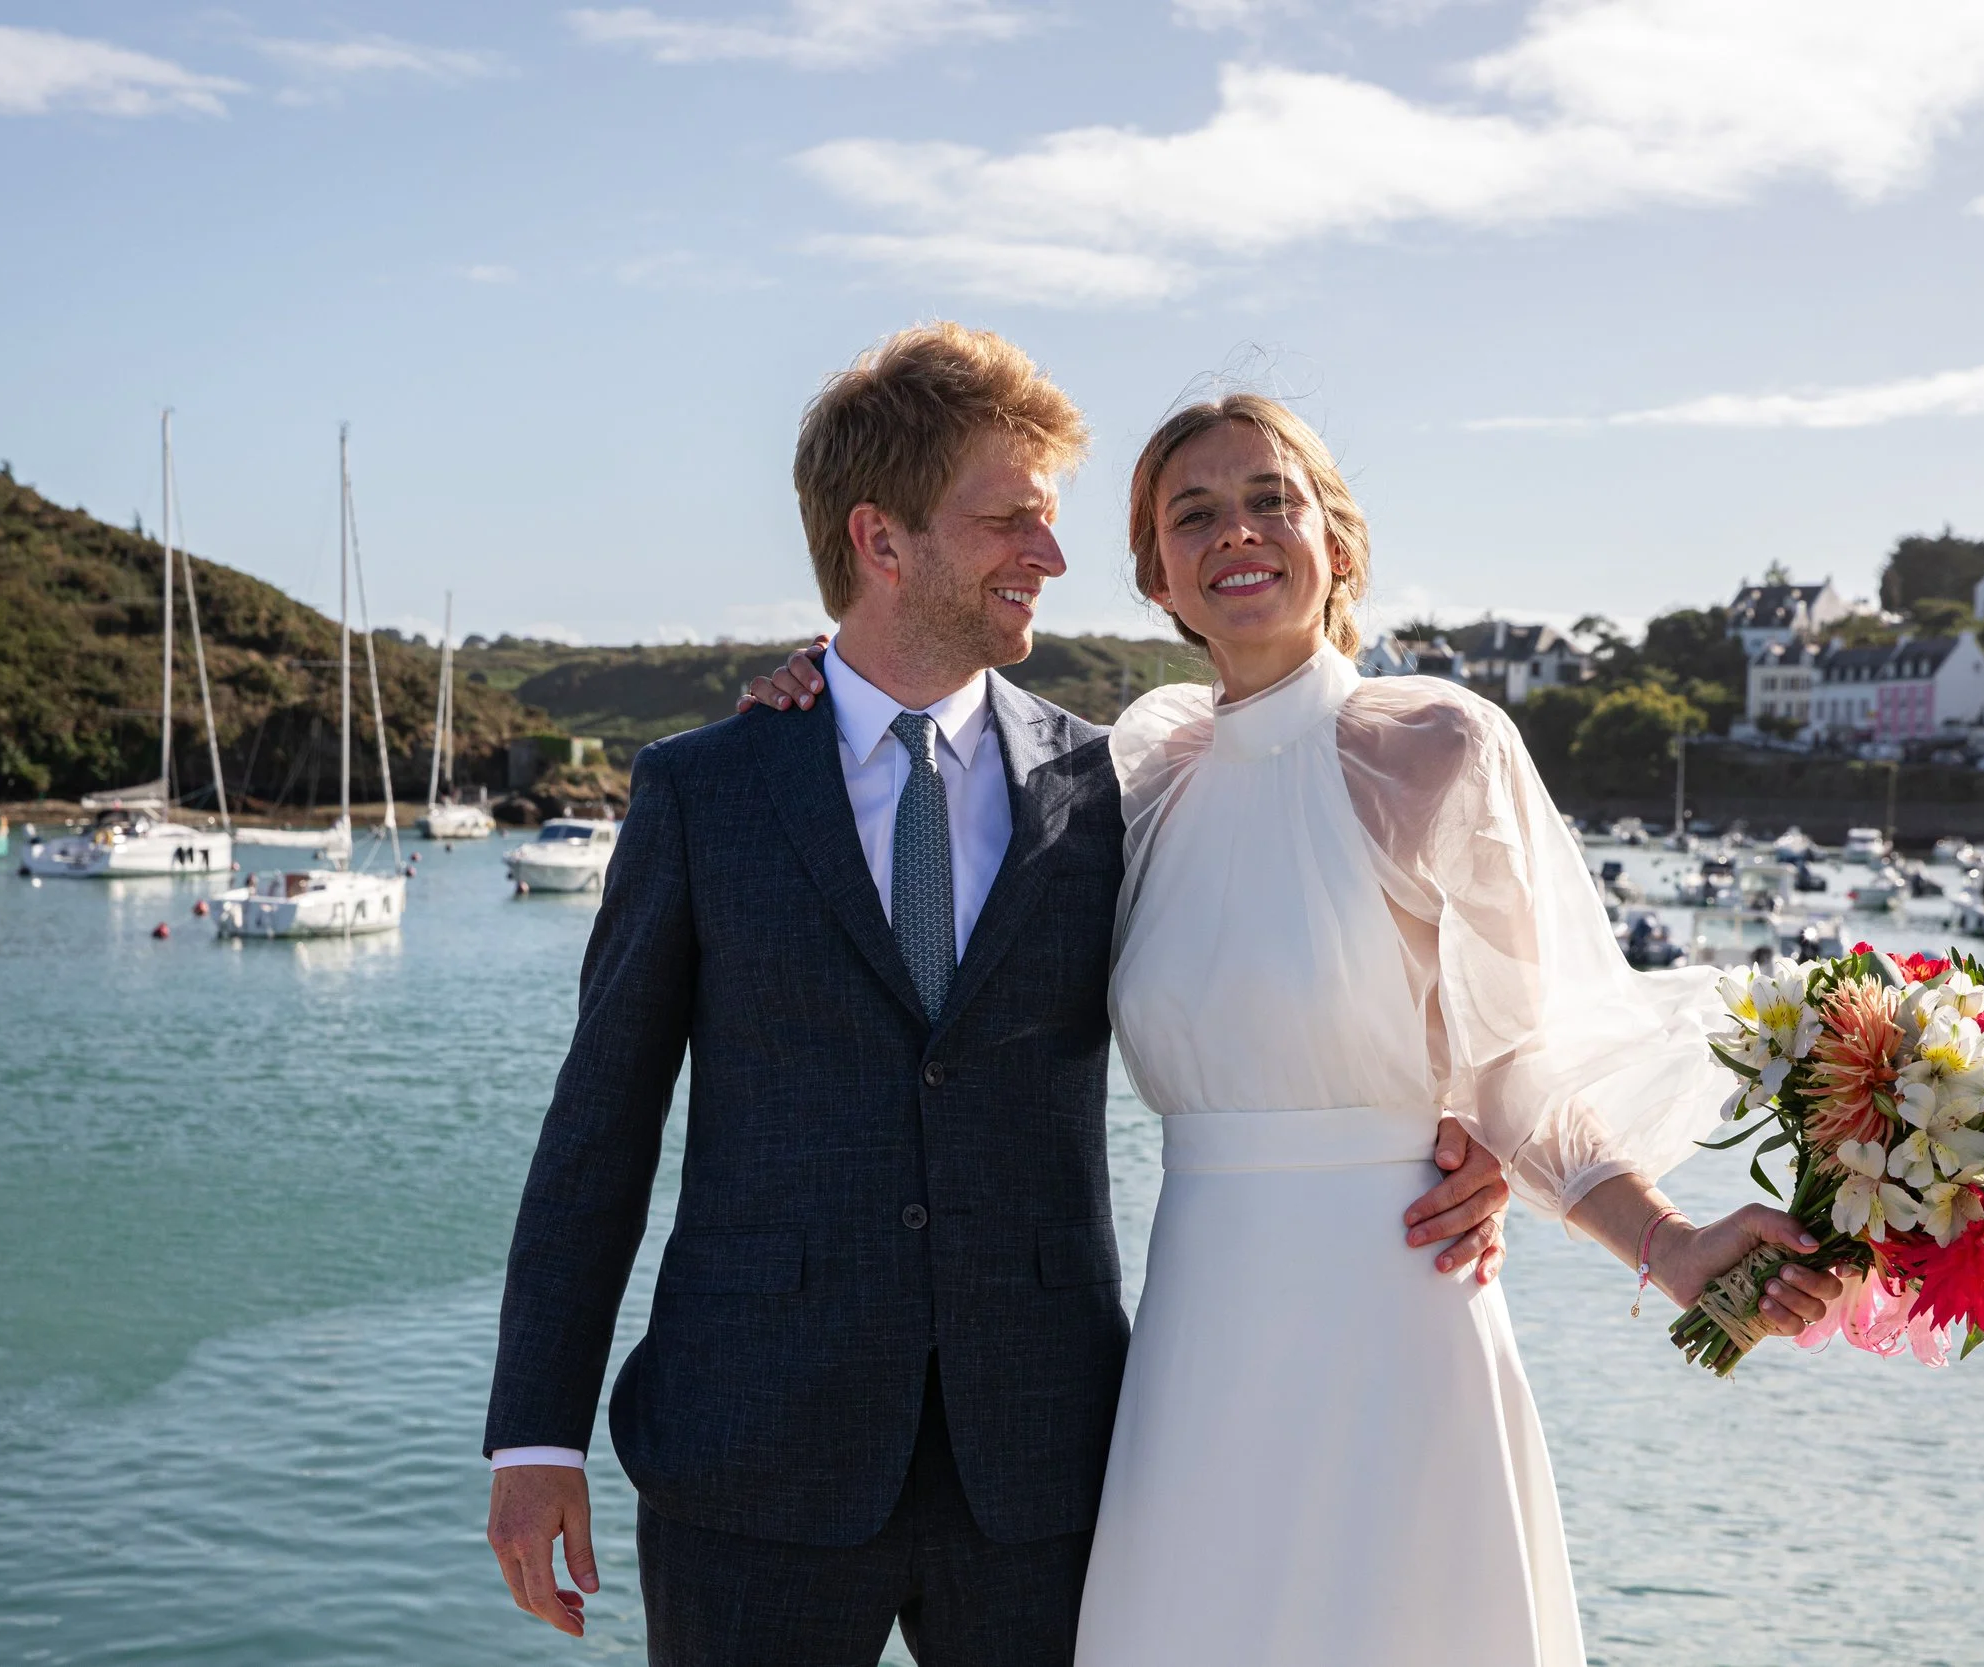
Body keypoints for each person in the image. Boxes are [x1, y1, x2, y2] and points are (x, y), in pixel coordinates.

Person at [745, 390, 1845, 1667]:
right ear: (1157, 574)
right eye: (1192, 512)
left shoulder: (1435, 746)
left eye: (1272, 498)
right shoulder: (1140, 769)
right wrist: (810, 693)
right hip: (1198, 1330)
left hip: (1394, 1306)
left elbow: (1522, 1067)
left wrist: (1669, 1239)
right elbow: (927, 764)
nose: (1237, 532)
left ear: (1336, 535)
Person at [480, 326, 1515, 1665]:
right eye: (1011, 519)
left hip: (1049, 1467)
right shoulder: (707, 790)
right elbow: (598, 1133)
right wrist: (535, 1430)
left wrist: (1460, 1116)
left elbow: (1292, 950)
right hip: (753, 1457)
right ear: (883, 539)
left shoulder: (1114, 787)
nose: (1053, 554)